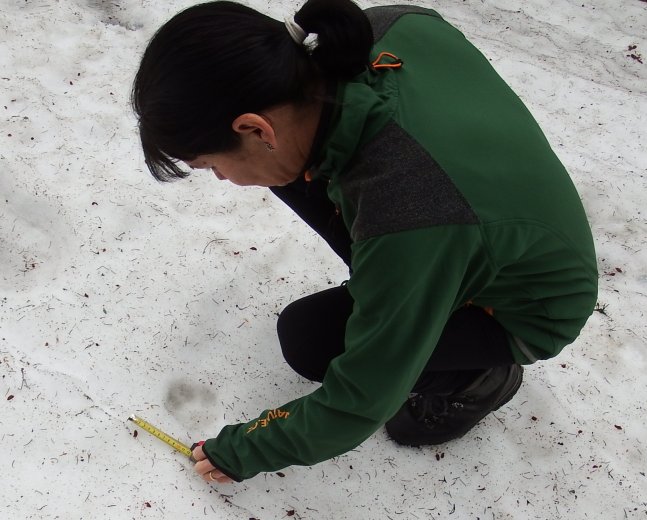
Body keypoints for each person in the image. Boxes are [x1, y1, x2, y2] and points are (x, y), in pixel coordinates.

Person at [132, 0, 598, 484]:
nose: (223, 180)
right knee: (292, 173)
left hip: (522, 306)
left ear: (254, 128)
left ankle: (478, 377)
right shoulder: (377, 31)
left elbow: (356, 403)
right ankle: (411, 288)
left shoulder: (412, 212)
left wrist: (243, 451)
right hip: (473, 225)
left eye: (211, 166)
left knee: (311, 340)